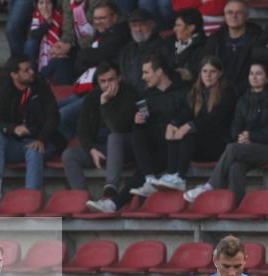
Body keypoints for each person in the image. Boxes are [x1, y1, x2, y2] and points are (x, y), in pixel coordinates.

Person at [184, 61, 268, 203]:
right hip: (248, 147)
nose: (254, 77)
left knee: (232, 148)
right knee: (235, 167)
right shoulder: (243, 100)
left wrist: (251, 136)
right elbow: (235, 128)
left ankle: (211, 185)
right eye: (251, 73)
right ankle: (233, 205)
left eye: (259, 73)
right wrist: (241, 137)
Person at [0, 56, 61, 200]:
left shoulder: (41, 86)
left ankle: (31, 197)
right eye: (26, 70)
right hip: (15, 144)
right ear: (14, 75)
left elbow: (54, 117)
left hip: (42, 141)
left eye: (31, 68)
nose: (32, 72)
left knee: (34, 150)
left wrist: (41, 139)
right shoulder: (3, 92)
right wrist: (13, 129)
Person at [147, 55, 236, 193]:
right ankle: (171, 174)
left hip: (219, 145)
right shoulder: (197, 91)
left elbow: (214, 119)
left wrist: (190, 126)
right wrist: (173, 123)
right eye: (204, 71)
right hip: (200, 144)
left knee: (187, 133)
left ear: (220, 73)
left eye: (212, 71)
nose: (208, 75)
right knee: (174, 129)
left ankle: (180, 178)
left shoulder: (227, 92)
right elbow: (187, 111)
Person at [62, 61, 137, 213]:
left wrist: (105, 104)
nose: (107, 85)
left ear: (119, 78)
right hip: (100, 150)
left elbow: (118, 127)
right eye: (103, 81)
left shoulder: (129, 93)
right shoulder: (92, 96)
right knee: (69, 155)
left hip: (124, 148)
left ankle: (110, 190)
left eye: (111, 80)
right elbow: (82, 130)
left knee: (114, 137)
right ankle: (83, 199)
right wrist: (91, 149)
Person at [58, 0, 130, 144]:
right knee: (51, 107)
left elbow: (99, 55)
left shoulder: (119, 33)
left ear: (114, 18)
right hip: (88, 89)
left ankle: (74, 145)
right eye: (95, 19)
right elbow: (89, 58)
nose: (98, 22)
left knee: (61, 115)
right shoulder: (102, 34)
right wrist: (85, 55)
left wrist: (83, 55)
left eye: (103, 18)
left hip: (103, 92)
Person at [129, 54, 191, 198]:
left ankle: (115, 203)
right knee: (137, 132)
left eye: (146, 72)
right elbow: (145, 126)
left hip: (177, 146)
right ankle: (149, 178)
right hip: (156, 146)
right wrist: (138, 120)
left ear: (159, 72)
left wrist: (174, 123)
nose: (143, 77)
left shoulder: (183, 90)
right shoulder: (147, 95)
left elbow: (191, 114)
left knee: (139, 172)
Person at [203, 0, 262, 97]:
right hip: (218, 93)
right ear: (224, 16)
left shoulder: (258, 38)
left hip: (248, 94)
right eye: (229, 12)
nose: (234, 16)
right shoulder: (215, 39)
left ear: (247, 16)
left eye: (239, 12)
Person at [118, 9, 170, 94]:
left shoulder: (163, 47)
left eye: (142, 25)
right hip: (129, 98)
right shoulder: (125, 51)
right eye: (134, 26)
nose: (138, 29)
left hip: (154, 96)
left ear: (152, 25)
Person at [25, 0, 74, 84]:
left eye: (48, 3)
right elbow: (34, 35)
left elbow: (66, 36)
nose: (45, 7)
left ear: (53, 4)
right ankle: (33, 76)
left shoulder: (59, 16)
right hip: (39, 49)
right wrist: (47, 22)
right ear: (37, 5)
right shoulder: (36, 15)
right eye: (41, 3)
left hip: (57, 49)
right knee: (30, 44)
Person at [169, 9, 207, 83]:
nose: (174, 29)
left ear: (191, 28)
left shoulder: (203, 47)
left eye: (178, 25)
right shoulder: (172, 44)